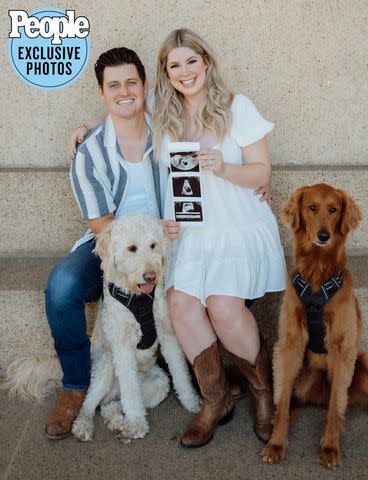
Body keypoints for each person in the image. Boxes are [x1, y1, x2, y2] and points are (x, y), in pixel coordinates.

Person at [153, 28, 287, 448]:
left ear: (206, 62)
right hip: (193, 230)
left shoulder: (236, 106)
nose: (185, 71)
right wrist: (82, 130)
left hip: (237, 224)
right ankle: (217, 398)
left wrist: (224, 167)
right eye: (175, 65)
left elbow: (261, 171)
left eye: (191, 61)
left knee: (224, 307)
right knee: (181, 302)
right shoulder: (165, 113)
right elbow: (120, 113)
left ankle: (264, 395)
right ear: (166, 74)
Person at [44, 47, 169, 439]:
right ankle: (76, 384)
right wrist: (140, 258)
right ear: (102, 92)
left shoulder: (169, 132)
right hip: (110, 245)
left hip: (166, 240)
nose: (124, 91)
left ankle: (207, 375)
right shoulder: (90, 152)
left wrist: (255, 180)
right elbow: (103, 227)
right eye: (114, 85)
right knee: (61, 287)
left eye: (132, 82)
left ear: (145, 86)